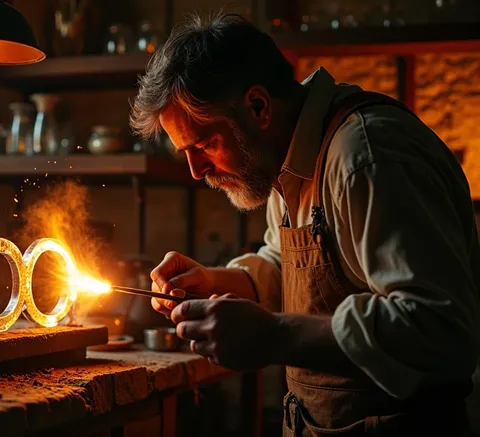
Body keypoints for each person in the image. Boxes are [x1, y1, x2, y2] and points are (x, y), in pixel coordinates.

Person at [130, 12, 480, 437]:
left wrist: (275, 335)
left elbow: (439, 332)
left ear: (257, 106)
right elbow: (292, 268)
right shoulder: (286, 156)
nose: (195, 170)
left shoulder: (367, 158)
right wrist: (214, 281)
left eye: (204, 144)